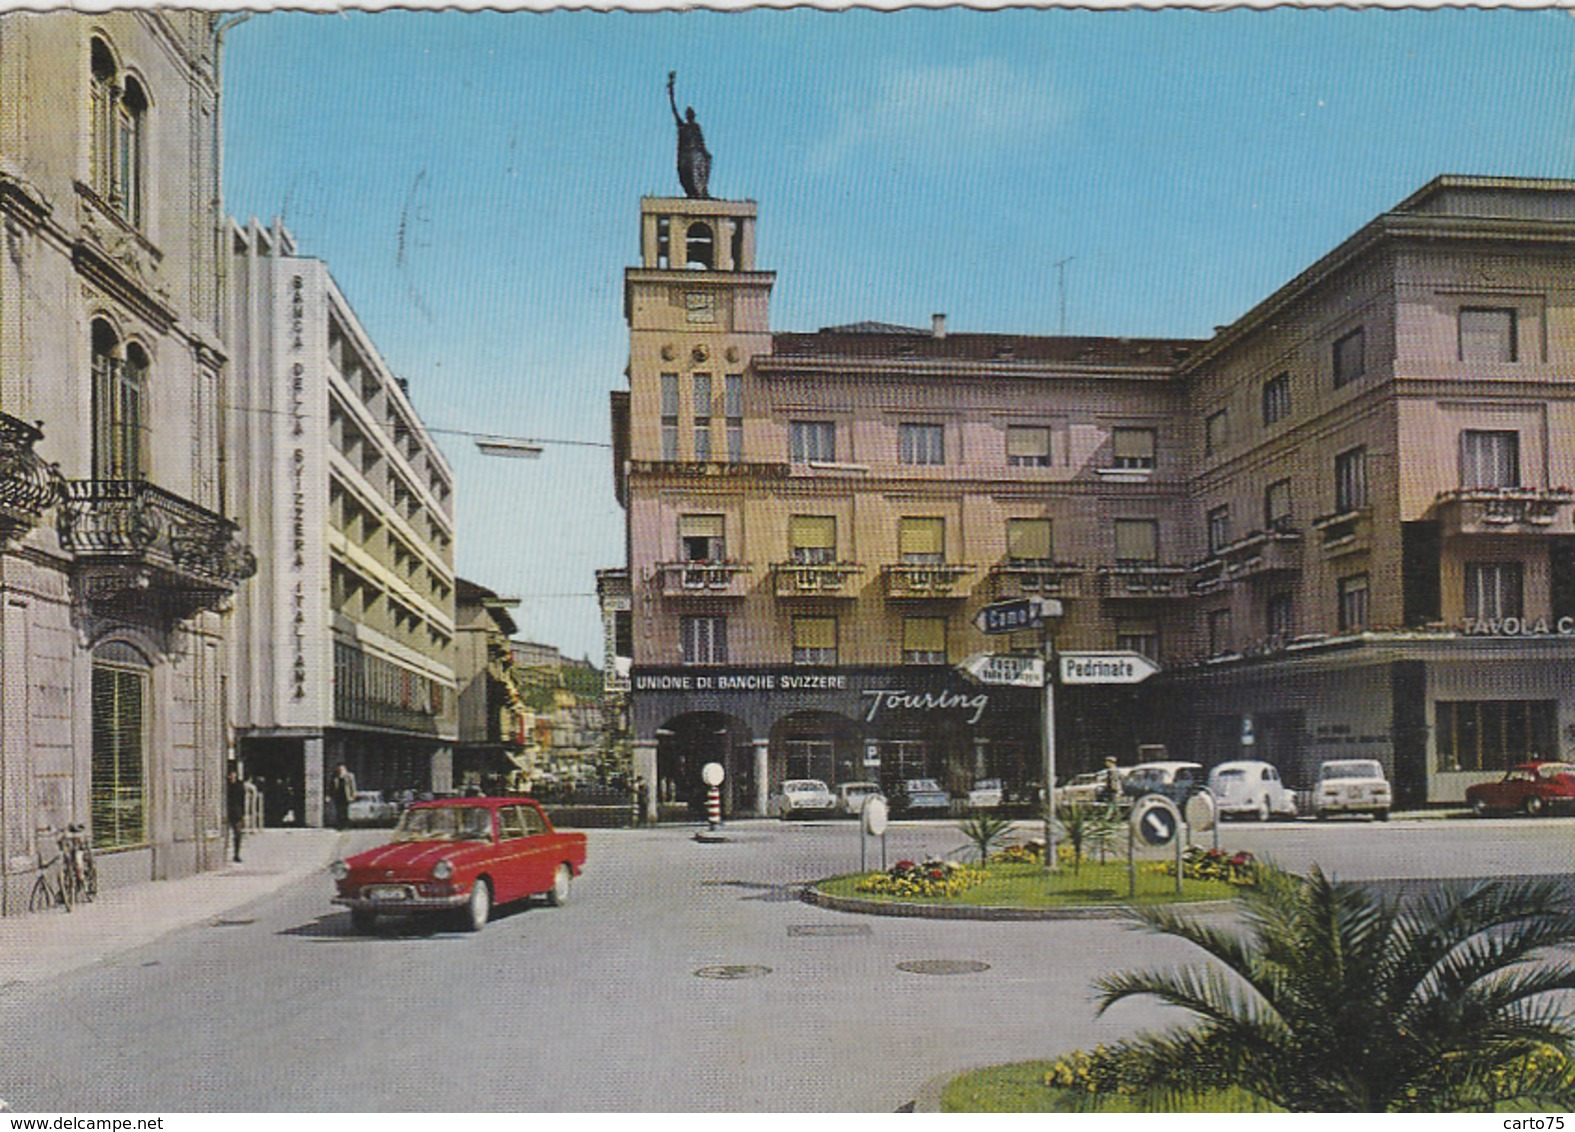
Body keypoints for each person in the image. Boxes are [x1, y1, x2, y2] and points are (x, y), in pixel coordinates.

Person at [667, 71, 711, 199]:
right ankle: (694, 192)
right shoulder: (683, 126)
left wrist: (706, 153)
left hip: (697, 154)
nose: (690, 114)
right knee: (689, 175)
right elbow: (674, 109)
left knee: (700, 172)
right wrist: (671, 91)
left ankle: (701, 191)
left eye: (691, 112)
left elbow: (701, 143)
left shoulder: (696, 127)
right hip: (688, 155)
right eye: (688, 113)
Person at [226, 765, 247, 863]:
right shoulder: (225, 785)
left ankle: (236, 854)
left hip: (237, 813)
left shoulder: (239, 785)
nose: (232, 777)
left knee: (238, 833)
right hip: (226, 811)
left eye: (233, 774)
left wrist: (243, 815)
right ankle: (226, 853)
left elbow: (242, 801)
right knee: (226, 834)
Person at [331, 763, 357, 830]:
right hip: (338, 796)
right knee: (339, 812)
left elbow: (353, 786)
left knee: (345, 812)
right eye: (339, 769)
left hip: (346, 796)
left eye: (341, 769)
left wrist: (353, 795)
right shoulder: (335, 776)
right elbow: (331, 786)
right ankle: (339, 825)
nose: (340, 770)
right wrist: (329, 795)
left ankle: (346, 826)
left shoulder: (349, 776)